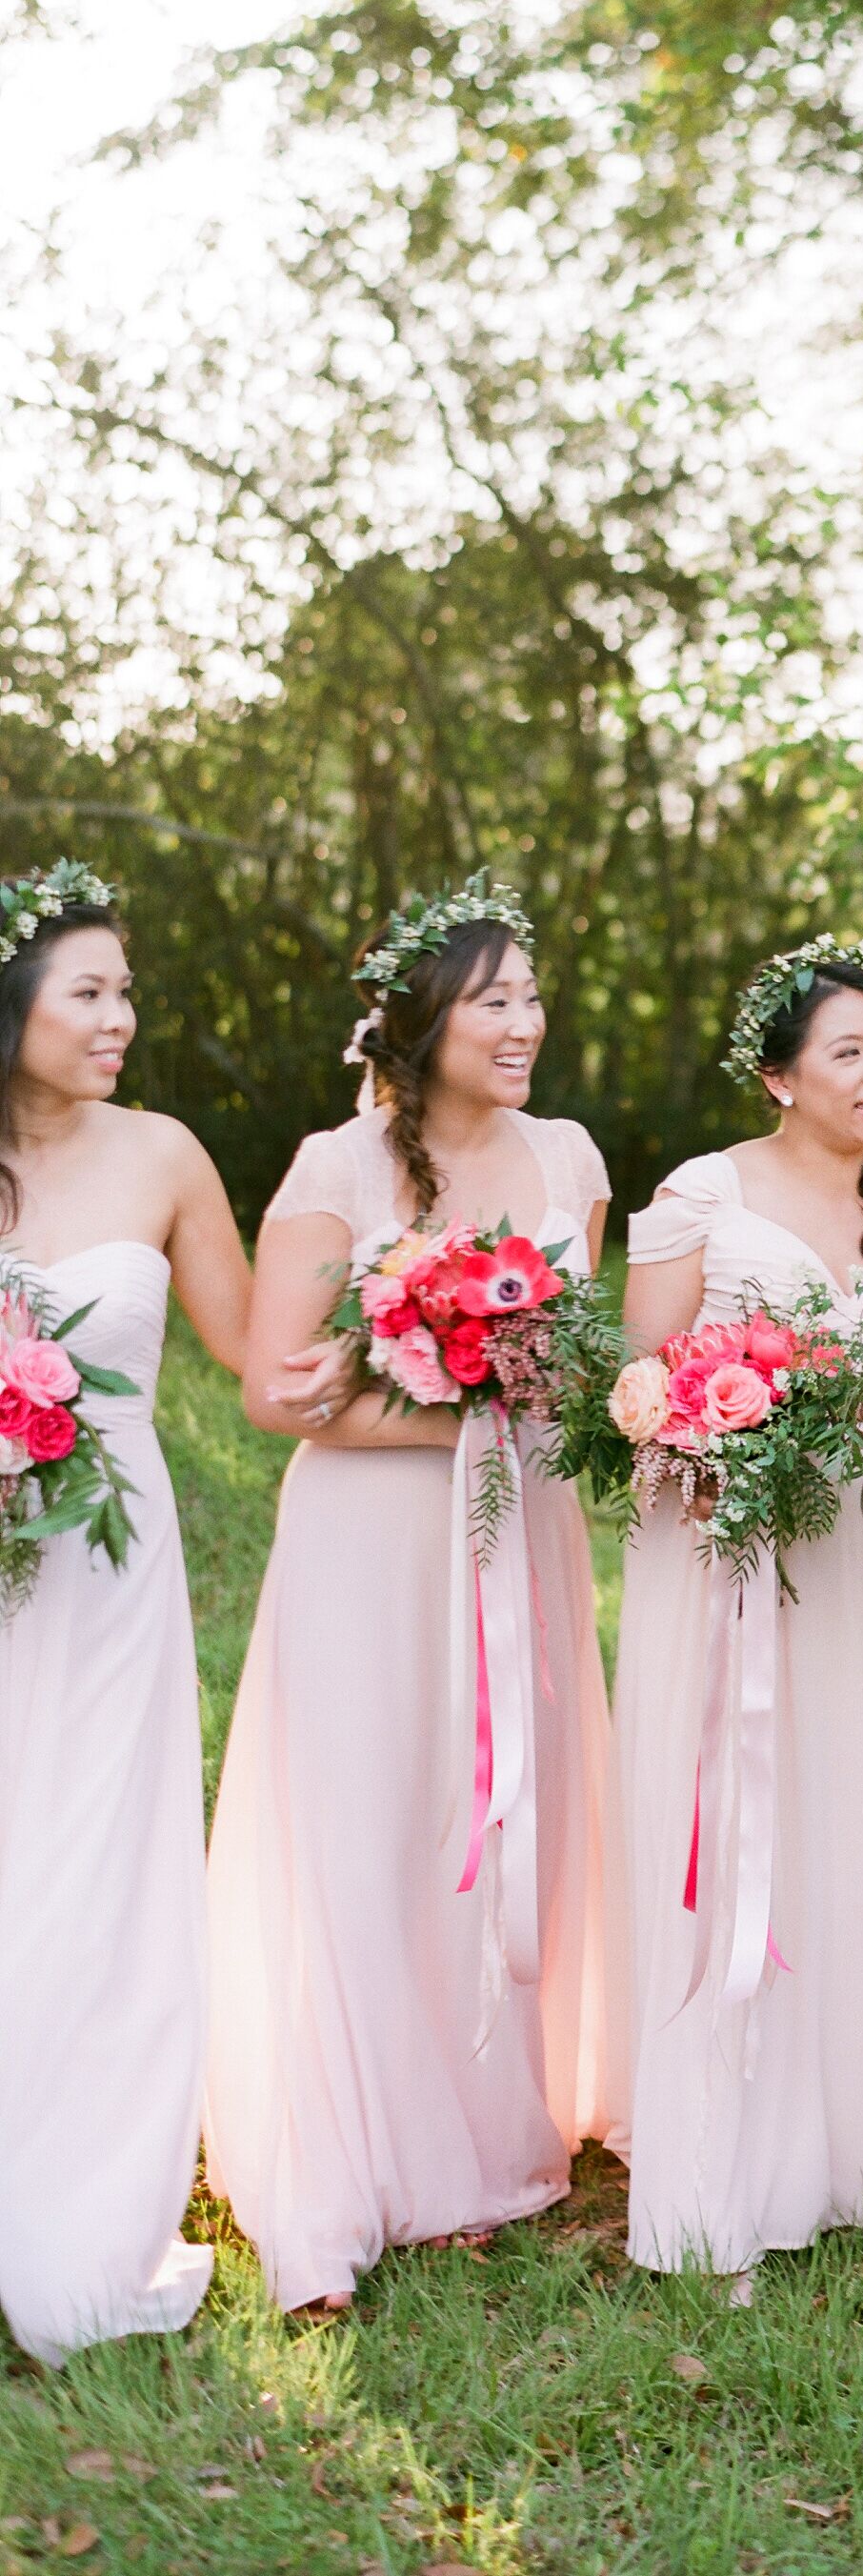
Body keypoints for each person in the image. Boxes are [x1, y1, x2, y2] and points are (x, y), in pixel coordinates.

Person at [206, 875, 617, 2312]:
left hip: (520, 1535)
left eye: (530, 994)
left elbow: (575, 1366)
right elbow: (273, 1388)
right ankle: (356, 2135)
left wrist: (520, 1404)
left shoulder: (569, 1158)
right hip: (375, 1539)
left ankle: (492, 2106)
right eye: (493, 999)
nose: (525, 1022)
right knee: (373, 1811)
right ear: (423, 1019)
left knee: (498, 1803)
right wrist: (462, 1409)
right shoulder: (335, 1168)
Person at [611, 940, 863, 2286]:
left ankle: (842, 2152)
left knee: (858, 1813)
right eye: (849, 1051)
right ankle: (720, 2161)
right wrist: (713, 1437)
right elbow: (641, 1387)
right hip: (734, 1557)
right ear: (778, 1074)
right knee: (744, 1819)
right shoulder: (705, 1193)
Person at [0, 867, 262, 2364]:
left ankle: (74, 2205)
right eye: (86, 990)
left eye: (126, 991)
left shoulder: (162, 1152)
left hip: (104, 1568)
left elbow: (261, 1360)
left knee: (91, 1852)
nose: (120, 1017)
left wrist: (452, 1341)